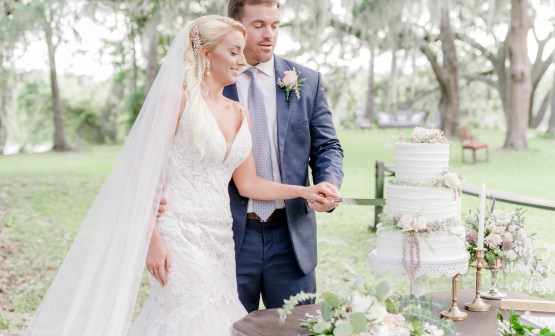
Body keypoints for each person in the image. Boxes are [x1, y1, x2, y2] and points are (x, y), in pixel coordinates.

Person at [26, 15, 338, 336]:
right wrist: (152, 240)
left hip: (219, 240)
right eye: (232, 52)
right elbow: (138, 174)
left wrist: (304, 191)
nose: (241, 61)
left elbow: (249, 184)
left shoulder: (239, 112)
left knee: (215, 318)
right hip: (175, 234)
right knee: (200, 319)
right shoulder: (176, 100)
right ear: (205, 54)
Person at [225, 0, 344, 311]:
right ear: (237, 28)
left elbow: (327, 146)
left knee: (297, 330)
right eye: (259, 25)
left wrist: (328, 183)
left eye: (275, 25)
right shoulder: (217, 81)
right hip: (231, 234)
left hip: (291, 237)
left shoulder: (307, 80)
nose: (269, 35)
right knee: (230, 330)